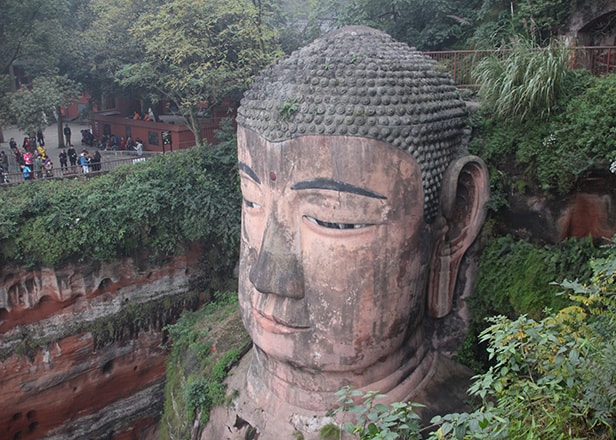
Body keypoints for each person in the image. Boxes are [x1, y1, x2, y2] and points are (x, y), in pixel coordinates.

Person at [201, 26, 489, 440]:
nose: (266, 277)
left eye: (334, 220)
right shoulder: (214, 376)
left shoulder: (482, 425)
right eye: (252, 201)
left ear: (457, 221)